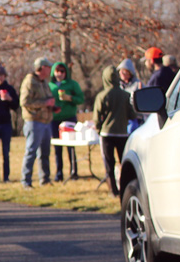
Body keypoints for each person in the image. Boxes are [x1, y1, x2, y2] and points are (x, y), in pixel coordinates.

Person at [93, 65, 132, 197]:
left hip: (107, 134)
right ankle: (126, 188)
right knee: (124, 162)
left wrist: (98, 129)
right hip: (123, 133)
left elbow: (96, 117)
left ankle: (113, 190)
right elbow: (132, 114)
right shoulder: (125, 95)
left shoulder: (102, 96)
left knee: (109, 163)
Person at [19, 56, 57, 188]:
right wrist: (44, 103)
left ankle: (45, 179)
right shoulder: (30, 81)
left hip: (46, 121)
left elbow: (47, 99)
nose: (50, 70)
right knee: (31, 151)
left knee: (45, 152)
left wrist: (52, 106)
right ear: (42, 68)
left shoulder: (44, 82)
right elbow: (24, 102)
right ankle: (26, 181)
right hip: (34, 122)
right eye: (48, 67)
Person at [49, 61, 85, 181]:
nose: (60, 74)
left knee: (71, 147)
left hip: (69, 118)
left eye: (62, 71)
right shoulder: (50, 86)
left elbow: (81, 99)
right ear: (53, 73)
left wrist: (70, 98)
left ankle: (74, 172)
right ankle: (59, 173)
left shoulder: (72, 84)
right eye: (57, 71)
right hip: (54, 119)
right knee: (57, 148)